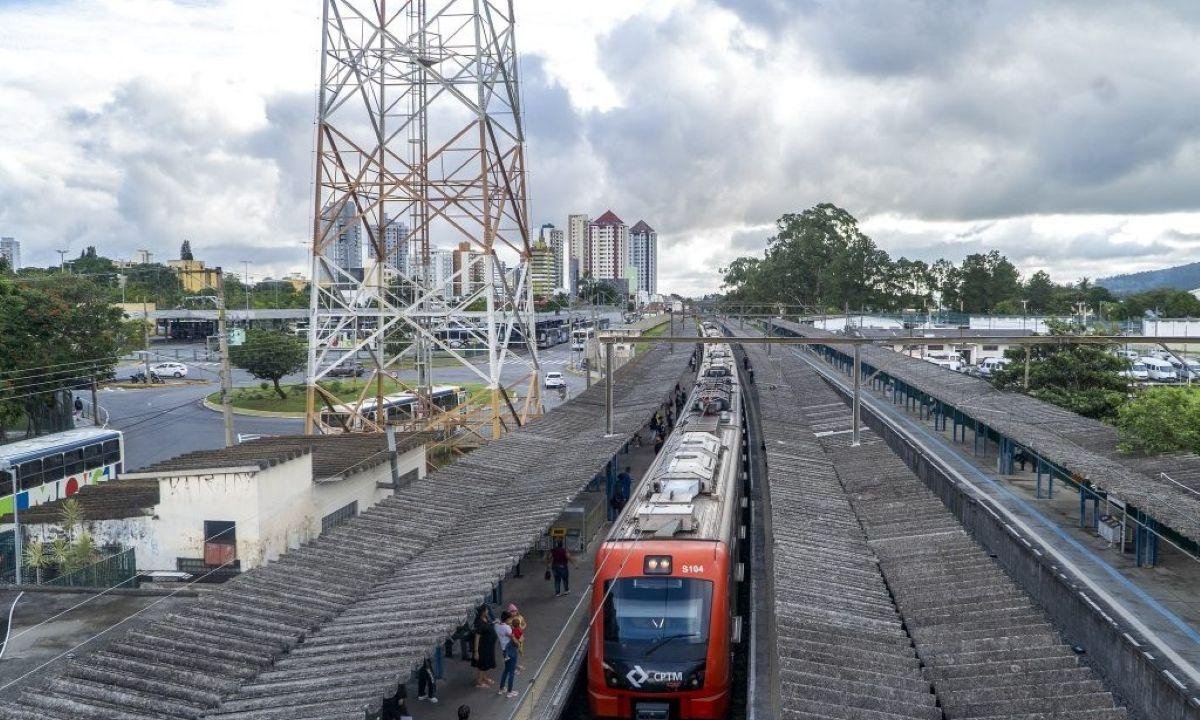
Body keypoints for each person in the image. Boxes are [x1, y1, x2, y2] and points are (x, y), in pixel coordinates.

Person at [495, 611, 519, 698]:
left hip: (504, 651)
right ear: (507, 619)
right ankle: (510, 691)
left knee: (506, 670)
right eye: (510, 619)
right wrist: (517, 644)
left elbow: (496, 620)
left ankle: (501, 688)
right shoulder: (507, 627)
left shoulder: (497, 626)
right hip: (511, 650)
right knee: (511, 671)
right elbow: (512, 637)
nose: (511, 620)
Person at [471, 604, 497, 687]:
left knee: (486, 663)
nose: (488, 611)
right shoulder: (479, 623)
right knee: (482, 664)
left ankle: (484, 677)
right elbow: (477, 637)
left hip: (488, 646)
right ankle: (479, 681)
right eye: (486, 610)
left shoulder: (485, 619)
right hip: (483, 647)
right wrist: (476, 651)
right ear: (482, 612)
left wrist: (494, 622)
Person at [506, 602, 527, 670]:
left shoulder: (520, 617)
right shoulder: (508, 620)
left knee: (516, 651)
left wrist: (521, 628)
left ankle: (515, 665)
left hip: (520, 637)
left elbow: (524, 624)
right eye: (512, 611)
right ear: (509, 612)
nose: (514, 612)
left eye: (515, 611)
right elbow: (507, 629)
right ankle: (514, 666)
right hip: (512, 639)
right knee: (513, 652)